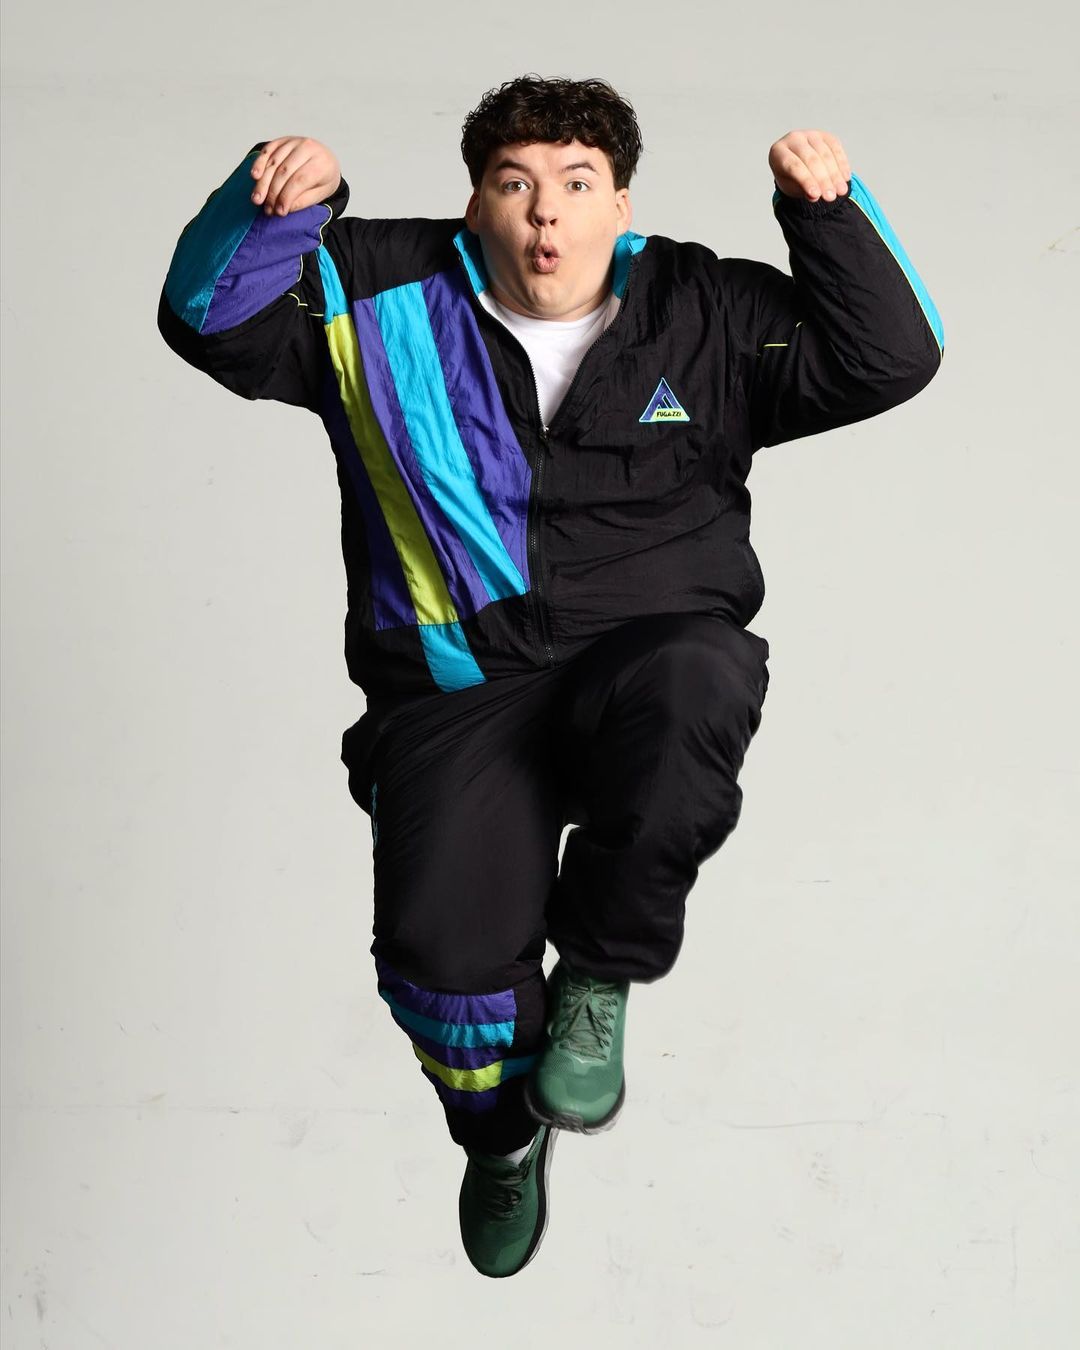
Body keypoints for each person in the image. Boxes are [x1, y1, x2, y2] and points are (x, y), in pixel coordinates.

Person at [157, 73, 944, 1279]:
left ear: (619, 204)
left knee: (702, 672)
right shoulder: (370, 291)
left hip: (639, 669)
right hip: (456, 693)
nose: (545, 213)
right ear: (476, 201)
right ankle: (499, 1137)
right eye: (514, 184)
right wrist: (275, 205)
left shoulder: (707, 309)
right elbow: (207, 322)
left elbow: (891, 357)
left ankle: (598, 975)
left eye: (577, 185)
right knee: (440, 970)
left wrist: (828, 214)